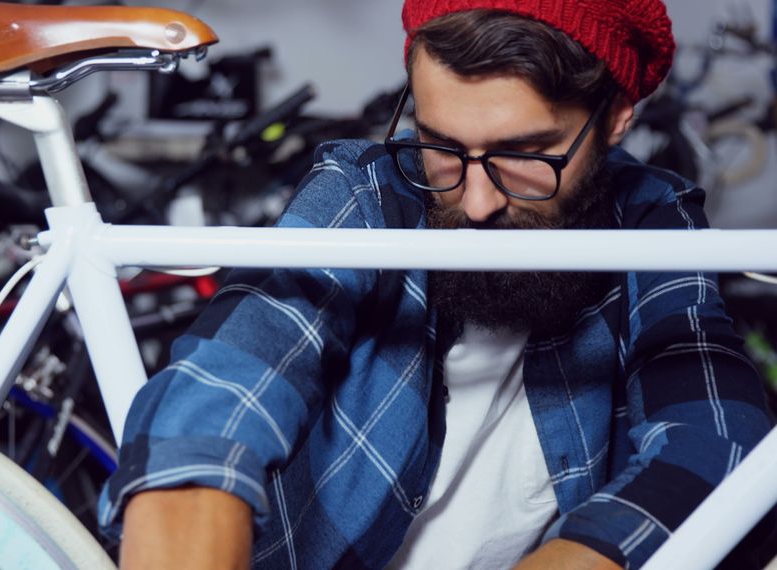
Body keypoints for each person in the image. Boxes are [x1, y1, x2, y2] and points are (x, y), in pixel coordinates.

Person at [100, 0, 775, 568]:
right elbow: (225, 385)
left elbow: (717, 433)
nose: (476, 202)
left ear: (616, 119)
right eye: (439, 143)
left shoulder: (650, 217)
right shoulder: (365, 193)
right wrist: (188, 491)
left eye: (524, 155)